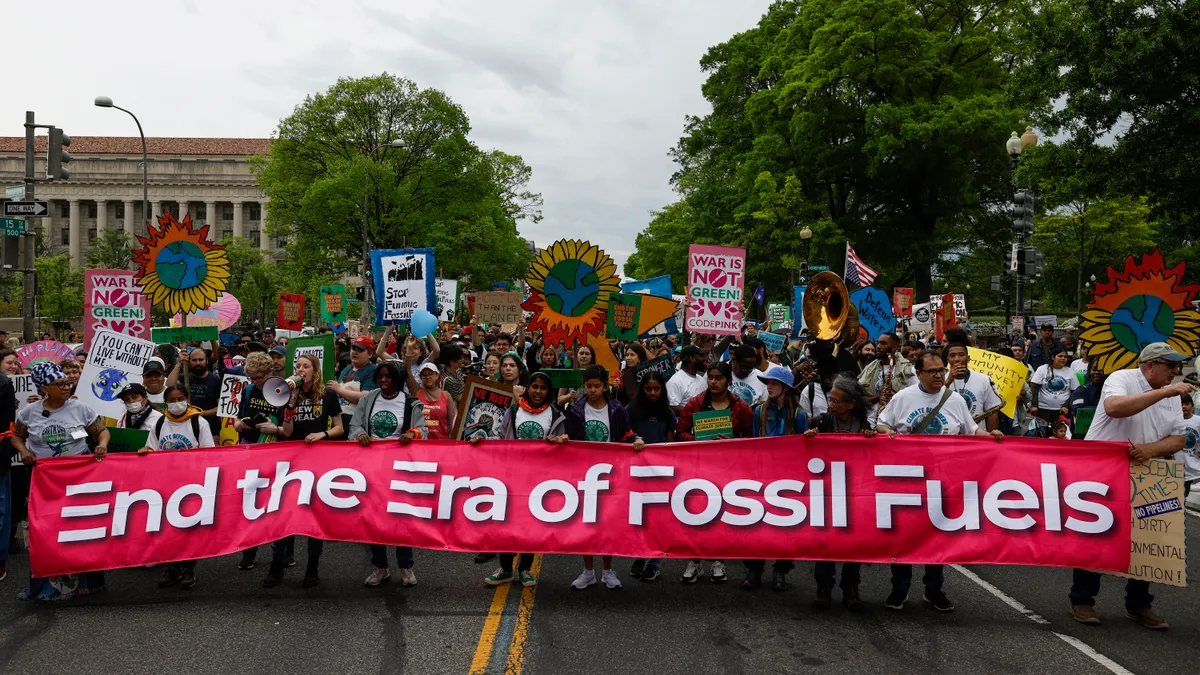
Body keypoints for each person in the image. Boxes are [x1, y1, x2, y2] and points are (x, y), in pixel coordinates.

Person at [1069, 343, 1193, 630]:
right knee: (1097, 531)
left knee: (1148, 536)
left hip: (1146, 469)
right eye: (1170, 365)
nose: (1175, 372)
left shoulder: (1171, 392)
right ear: (1150, 364)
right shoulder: (1121, 379)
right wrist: (1165, 392)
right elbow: (1114, 408)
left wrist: (1150, 449)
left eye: (1177, 367)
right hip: (1104, 469)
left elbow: (1178, 439)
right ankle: (1082, 598)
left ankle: (1139, 602)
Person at [876, 350, 1003, 613]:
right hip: (907, 481)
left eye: (940, 370)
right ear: (918, 373)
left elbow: (972, 430)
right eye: (931, 371)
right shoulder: (903, 397)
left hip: (943, 481)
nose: (938, 375)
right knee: (905, 538)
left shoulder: (954, 400)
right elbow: (881, 423)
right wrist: (888, 433)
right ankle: (899, 589)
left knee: (937, 537)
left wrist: (991, 436)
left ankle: (934, 589)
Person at [11, 362, 110, 600]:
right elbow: (16, 435)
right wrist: (24, 451)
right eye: (60, 384)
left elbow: (102, 431)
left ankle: (89, 583)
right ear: (45, 388)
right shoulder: (28, 413)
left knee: (82, 528)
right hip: (44, 480)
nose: (67, 386)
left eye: (67, 382)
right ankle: (45, 586)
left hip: (80, 477)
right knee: (45, 530)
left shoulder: (81, 408)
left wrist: (102, 445)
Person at [479, 371, 568, 588]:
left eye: (543, 388)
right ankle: (506, 568)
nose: (538, 392)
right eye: (534, 387)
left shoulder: (555, 415)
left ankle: (525, 568)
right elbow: (501, 437)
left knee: (532, 525)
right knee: (508, 522)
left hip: (540, 479)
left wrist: (560, 440)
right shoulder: (514, 410)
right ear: (527, 388)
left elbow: (564, 443)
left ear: (549, 392)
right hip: (512, 476)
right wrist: (480, 441)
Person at [267, 353, 343, 589]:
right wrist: (290, 405)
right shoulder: (286, 394)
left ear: (315, 370)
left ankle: (312, 565)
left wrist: (323, 434)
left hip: (318, 460)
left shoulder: (327, 395)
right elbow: (287, 432)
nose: (300, 370)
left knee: (314, 515)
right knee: (285, 512)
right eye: (297, 366)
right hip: (292, 460)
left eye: (305, 366)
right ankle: (277, 564)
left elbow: (340, 427)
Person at [349, 360, 426, 588]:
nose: (383, 380)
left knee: (400, 519)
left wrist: (413, 433)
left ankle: (406, 566)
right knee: (374, 520)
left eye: (388, 377)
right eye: (380, 376)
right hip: (372, 469)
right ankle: (380, 567)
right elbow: (354, 427)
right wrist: (360, 434)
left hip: (400, 470)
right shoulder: (368, 399)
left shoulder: (410, 403)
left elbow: (423, 430)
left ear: (398, 379)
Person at [676, 362, 754, 584]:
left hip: (729, 470)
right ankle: (695, 561)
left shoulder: (741, 407)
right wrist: (700, 440)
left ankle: (718, 561)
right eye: (710, 377)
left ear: (728, 381)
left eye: (719, 378)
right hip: (699, 468)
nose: (713, 381)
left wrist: (734, 443)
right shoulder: (696, 403)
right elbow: (680, 432)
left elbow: (751, 439)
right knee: (696, 514)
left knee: (721, 515)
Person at [804, 375, 875, 610]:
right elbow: (804, 451)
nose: (831, 405)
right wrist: (809, 439)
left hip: (856, 492)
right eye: (830, 400)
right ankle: (823, 587)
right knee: (825, 541)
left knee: (854, 543)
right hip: (826, 490)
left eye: (836, 401)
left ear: (851, 404)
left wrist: (873, 441)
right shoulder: (822, 422)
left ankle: (850, 588)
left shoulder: (866, 427)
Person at [564, 365, 632, 590]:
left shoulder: (617, 409)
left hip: (611, 474)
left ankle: (608, 571)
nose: (592, 390)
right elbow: (572, 438)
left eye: (597, 386)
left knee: (608, 525)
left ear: (605, 386)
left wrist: (636, 440)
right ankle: (588, 571)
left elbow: (626, 434)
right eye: (589, 386)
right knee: (587, 524)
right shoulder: (575, 410)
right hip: (584, 475)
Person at [743, 365, 808, 591]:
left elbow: (803, 449)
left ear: (785, 388)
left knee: (786, 527)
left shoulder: (799, 415)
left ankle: (781, 569)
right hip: (762, 476)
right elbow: (754, 441)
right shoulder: (759, 412)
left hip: (788, 479)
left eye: (773, 383)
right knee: (756, 524)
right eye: (767, 382)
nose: (768, 386)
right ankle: (755, 568)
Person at [233, 352, 290, 570]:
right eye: (251, 378)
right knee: (250, 502)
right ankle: (249, 551)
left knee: (280, 503)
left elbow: (290, 427)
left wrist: (275, 429)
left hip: (276, 450)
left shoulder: (283, 390)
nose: (255, 382)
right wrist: (240, 424)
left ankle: (284, 553)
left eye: (258, 378)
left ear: (269, 372)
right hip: (251, 448)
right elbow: (239, 416)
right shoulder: (248, 390)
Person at [627, 372, 676, 582]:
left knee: (657, 516)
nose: (653, 393)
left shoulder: (667, 412)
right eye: (649, 389)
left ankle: (655, 560)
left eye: (657, 389)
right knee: (638, 516)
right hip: (637, 470)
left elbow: (672, 442)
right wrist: (634, 439)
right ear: (642, 390)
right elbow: (625, 433)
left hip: (660, 472)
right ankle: (640, 554)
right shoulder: (631, 410)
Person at [943, 329, 1003, 432]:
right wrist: (948, 381)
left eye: (961, 355)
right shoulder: (941, 380)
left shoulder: (984, 379)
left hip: (977, 437)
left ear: (968, 358)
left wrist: (990, 440)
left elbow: (992, 412)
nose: (957, 359)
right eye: (952, 356)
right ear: (948, 359)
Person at [858, 332, 914, 426]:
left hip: (897, 425)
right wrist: (878, 397)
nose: (878, 346)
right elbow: (859, 400)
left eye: (883, 343)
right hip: (872, 424)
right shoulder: (869, 370)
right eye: (878, 342)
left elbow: (914, 398)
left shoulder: (908, 370)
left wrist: (895, 397)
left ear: (894, 347)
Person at [328, 335, 378, 432]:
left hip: (357, 423)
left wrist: (340, 390)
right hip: (338, 422)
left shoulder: (373, 370)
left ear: (370, 354)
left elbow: (365, 397)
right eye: (353, 348)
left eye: (360, 350)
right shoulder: (346, 370)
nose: (355, 352)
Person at [168, 347, 221, 436]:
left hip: (210, 431)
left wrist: (199, 414)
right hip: (186, 430)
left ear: (207, 361)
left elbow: (220, 408)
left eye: (201, 360)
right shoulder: (184, 378)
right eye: (194, 360)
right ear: (189, 362)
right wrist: (179, 363)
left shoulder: (216, 381)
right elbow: (169, 385)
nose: (198, 363)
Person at [1030, 347, 1074, 425]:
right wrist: (1034, 405)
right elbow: (1034, 388)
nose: (1063, 358)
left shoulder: (1070, 372)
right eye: (1060, 356)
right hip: (1042, 409)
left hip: (1062, 411)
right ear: (1053, 357)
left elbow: (1074, 392)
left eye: (1065, 357)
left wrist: (1066, 406)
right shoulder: (1042, 369)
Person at [415, 362, 456, 440]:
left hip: (441, 442)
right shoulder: (416, 392)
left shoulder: (446, 395)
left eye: (430, 374)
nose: (427, 377)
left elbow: (452, 423)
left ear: (437, 375)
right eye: (424, 375)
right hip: (421, 443)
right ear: (421, 377)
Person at [1067, 360, 1106, 438]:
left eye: (1101, 370)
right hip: (1083, 439)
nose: (1097, 372)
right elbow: (1079, 410)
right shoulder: (1081, 390)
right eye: (1094, 369)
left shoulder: (1115, 392)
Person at [666, 345, 707, 416]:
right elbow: (672, 407)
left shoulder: (701, 379)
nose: (704, 359)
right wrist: (696, 415)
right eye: (701, 356)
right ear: (692, 359)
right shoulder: (676, 381)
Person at [557, 343, 596, 408]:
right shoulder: (569, 374)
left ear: (592, 356)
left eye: (587, 354)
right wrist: (569, 395)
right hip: (573, 411)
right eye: (581, 353)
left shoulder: (597, 374)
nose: (584, 356)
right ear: (576, 355)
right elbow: (559, 401)